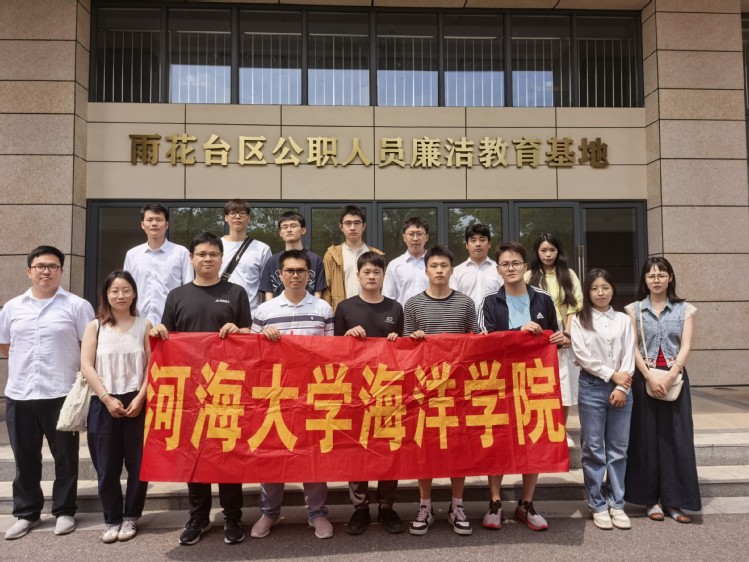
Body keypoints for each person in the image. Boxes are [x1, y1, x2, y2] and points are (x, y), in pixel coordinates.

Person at [150, 231, 252, 546]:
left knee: (228, 455)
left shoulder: (236, 292)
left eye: (213, 254)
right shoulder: (177, 295)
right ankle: (198, 518)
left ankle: (233, 517)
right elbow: (168, 337)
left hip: (226, 387)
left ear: (221, 258)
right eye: (202, 254)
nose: (208, 259)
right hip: (190, 391)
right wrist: (158, 331)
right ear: (191, 258)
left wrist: (239, 331)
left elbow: (248, 334)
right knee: (193, 455)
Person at [1, 246, 95, 540]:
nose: (46, 271)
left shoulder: (77, 306)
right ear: (29, 271)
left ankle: (64, 511)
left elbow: (89, 347)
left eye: (52, 266)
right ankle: (27, 513)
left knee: (65, 457)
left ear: (61, 271)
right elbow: (5, 346)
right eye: (40, 266)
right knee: (25, 457)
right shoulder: (12, 307)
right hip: (20, 394)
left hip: (61, 393)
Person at [478, 241, 564, 533]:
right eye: (505, 264)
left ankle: (526, 503)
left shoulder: (544, 298)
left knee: (534, 438)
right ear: (498, 269)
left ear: (526, 267)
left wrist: (561, 339)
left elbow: (555, 335)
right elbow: (485, 341)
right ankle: (495, 502)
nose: (511, 268)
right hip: (499, 382)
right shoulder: (489, 301)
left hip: (534, 380)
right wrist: (519, 331)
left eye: (516, 263)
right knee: (497, 439)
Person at [250, 249, 335, 540]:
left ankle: (317, 513)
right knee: (273, 454)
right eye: (290, 271)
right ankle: (269, 512)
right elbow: (252, 355)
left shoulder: (324, 309)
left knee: (313, 455)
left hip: (311, 394)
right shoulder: (264, 311)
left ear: (310, 275)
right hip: (275, 394)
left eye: (301, 271)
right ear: (280, 275)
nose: (295, 276)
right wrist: (264, 338)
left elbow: (331, 353)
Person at [403, 245, 478, 537]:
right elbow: (404, 351)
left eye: (444, 265)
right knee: (425, 448)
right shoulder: (413, 304)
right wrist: (414, 339)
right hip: (424, 389)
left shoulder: (465, 303)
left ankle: (457, 505)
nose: (439, 270)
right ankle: (425, 506)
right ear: (426, 270)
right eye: (434, 266)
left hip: (458, 390)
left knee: (458, 448)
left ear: (451, 270)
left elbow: (474, 343)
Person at [624, 257, 701, 523]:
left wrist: (670, 375)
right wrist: (648, 376)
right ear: (644, 280)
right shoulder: (633, 310)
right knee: (645, 438)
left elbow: (686, 345)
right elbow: (633, 347)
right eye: (651, 275)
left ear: (670, 278)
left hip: (674, 378)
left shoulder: (685, 309)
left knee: (676, 439)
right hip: (644, 378)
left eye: (661, 275)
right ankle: (650, 501)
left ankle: (675, 502)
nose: (656, 280)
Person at [334, 252, 405, 536]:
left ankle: (387, 506)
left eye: (377, 271)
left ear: (383, 275)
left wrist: (397, 341)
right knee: (357, 449)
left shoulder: (395, 308)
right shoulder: (345, 308)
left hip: (388, 389)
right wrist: (347, 337)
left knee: (389, 449)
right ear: (358, 275)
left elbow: (406, 352)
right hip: (356, 390)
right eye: (367, 271)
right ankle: (360, 508)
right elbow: (333, 351)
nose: (372, 276)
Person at [79, 271, 151, 543]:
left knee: (138, 465)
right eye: (114, 291)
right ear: (106, 295)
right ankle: (111, 519)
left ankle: (131, 516)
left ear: (134, 294)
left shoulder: (144, 325)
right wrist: (106, 398)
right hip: (103, 401)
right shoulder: (95, 327)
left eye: (126, 290)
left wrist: (141, 397)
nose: (120, 295)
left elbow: (152, 366)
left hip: (137, 401)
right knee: (106, 466)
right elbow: (86, 365)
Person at [570, 268, 635, 531]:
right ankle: (597, 504)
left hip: (622, 388)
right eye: (595, 288)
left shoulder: (623, 319)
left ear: (612, 290)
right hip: (592, 387)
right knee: (593, 449)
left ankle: (617, 503)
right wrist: (612, 375)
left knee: (619, 450)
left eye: (605, 287)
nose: (600, 292)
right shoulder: (579, 319)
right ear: (587, 292)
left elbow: (630, 353)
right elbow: (581, 355)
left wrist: (622, 386)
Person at [524, 232, 583, 446]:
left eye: (552, 250)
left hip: (562, 336)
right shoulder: (528, 276)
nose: (548, 254)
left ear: (558, 252)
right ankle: (538, 429)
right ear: (537, 252)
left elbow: (574, 307)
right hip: (537, 337)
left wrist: (567, 333)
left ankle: (560, 429)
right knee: (538, 385)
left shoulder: (568, 274)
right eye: (543, 250)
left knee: (563, 385)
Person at [123, 203, 193, 325]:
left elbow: (189, 288)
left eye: (159, 220)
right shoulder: (132, 255)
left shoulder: (181, 253)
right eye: (149, 220)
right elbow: (126, 288)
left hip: (172, 323)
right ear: (142, 224)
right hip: (138, 322)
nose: (154, 223)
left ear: (167, 224)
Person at [322, 205, 384, 312]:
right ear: (341, 227)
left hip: (372, 311)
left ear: (364, 226)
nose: (352, 227)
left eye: (357, 223)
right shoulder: (332, 255)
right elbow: (327, 290)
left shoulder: (376, 254)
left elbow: (383, 287)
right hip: (342, 313)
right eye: (348, 223)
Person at [219, 198, 272, 313]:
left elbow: (267, 286)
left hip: (251, 313)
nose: (237, 216)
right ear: (226, 217)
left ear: (249, 218)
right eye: (233, 213)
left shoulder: (262, 249)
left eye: (242, 213)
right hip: (219, 311)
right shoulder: (215, 246)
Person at [259, 211, 326, 300]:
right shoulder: (272, 261)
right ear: (280, 233)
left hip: (309, 307)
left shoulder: (315, 260)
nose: (289, 230)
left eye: (293, 226)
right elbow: (269, 293)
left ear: (303, 230)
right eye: (285, 227)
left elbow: (318, 292)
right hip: (279, 308)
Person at [449, 223, 503, 315]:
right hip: (465, 321)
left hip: (493, 321)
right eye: (473, 240)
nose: (478, 244)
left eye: (482, 240)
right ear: (467, 245)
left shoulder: (499, 269)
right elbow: (453, 301)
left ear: (489, 244)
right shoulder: (456, 272)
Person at [382, 217, 430, 306]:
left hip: (432, 314)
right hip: (402, 314)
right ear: (404, 237)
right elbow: (388, 298)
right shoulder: (394, 265)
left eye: (419, 234)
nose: (415, 238)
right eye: (411, 234)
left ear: (426, 237)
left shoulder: (435, 265)